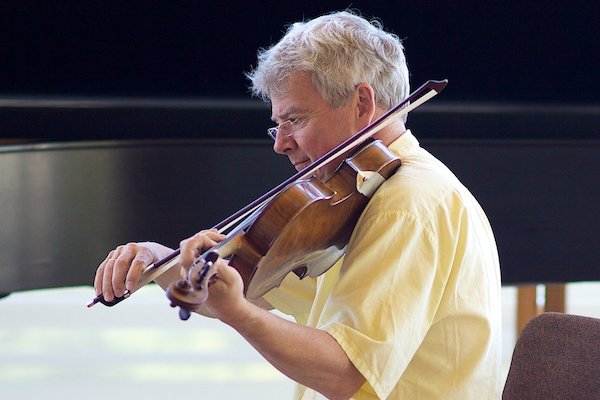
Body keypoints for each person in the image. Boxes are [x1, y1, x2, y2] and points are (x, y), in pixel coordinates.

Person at [94, 10, 502, 399]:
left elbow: (345, 374)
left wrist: (238, 312)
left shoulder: (407, 202)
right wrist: (159, 261)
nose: (279, 143)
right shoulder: (360, 195)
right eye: (277, 124)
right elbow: (251, 290)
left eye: (296, 120)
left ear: (361, 104)